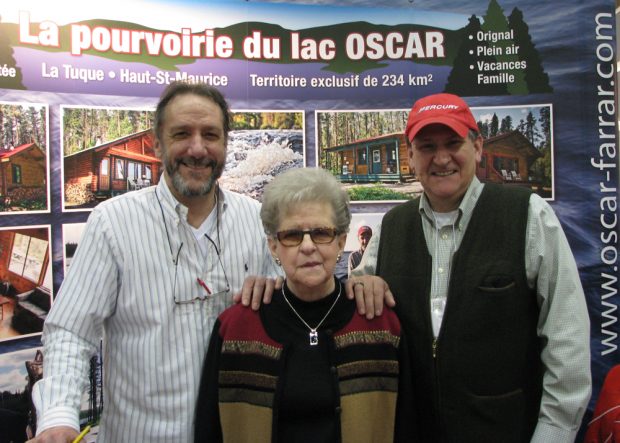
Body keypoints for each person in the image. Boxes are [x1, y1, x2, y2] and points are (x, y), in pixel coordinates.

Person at [29, 82, 280, 443]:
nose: (197, 148)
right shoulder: (113, 223)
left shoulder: (257, 222)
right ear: (158, 143)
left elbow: (294, 308)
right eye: (182, 134)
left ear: (225, 144)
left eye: (210, 134)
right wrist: (58, 416)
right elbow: (71, 331)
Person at [351, 92, 591, 442]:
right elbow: (353, 302)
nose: (442, 158)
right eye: (427, 146)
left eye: (453, 143)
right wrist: (356, 287)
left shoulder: (528, 215)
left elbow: (566, 339)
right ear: (410, 156)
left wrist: (553, 435)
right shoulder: (391, 227)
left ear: (477, 147)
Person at [194, 167, 414, 442]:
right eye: (292, 235)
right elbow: (209, 429)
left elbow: (408, 427)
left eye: (321, 233)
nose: (308, 246)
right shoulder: (236, 329)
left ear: (341, 242)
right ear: (274, 247)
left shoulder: (380, 325)